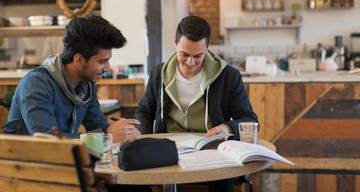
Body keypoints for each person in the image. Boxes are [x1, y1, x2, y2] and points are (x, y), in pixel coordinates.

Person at [135, 15, 259, 192]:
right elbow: (144, 111)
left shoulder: (228, 76)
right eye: (184, 54)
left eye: (198, 56)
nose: (190, 62)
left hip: (211, 151)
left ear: (208, 47)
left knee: (222, 180)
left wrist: (228, 128)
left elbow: (248, 118)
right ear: (175, 43)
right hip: (168, 149)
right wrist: (147, 140)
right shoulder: (159, 73)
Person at [3, 15, 141, 143]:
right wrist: (106, 137)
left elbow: (98, 125)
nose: (108, 68)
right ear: (79, 60)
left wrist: (121, 130)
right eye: (102, 61)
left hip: (60, 162)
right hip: (21, 164)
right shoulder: (35, 83)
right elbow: (47, 139)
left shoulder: (86, 85)